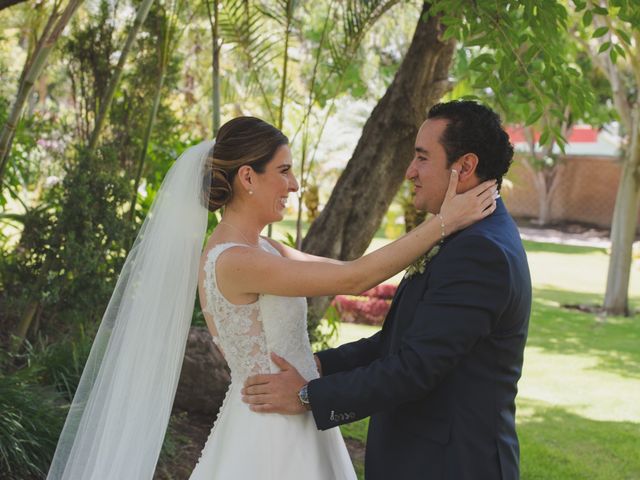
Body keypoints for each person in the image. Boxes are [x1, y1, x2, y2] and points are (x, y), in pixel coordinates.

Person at [47, 116, 496, 480]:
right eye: (284, 171)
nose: (295, 185)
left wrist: (315, 370)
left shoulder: (267, 249)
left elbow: (348, 270)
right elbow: (360, 279)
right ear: (248, 177)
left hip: (296, 410)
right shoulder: (234, 261)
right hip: (270, 433)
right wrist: (443, 223)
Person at [242, 101, 532, 480]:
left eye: (422, 158)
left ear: (465, 166)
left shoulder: (481, 251)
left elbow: (414, 369)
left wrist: (307, 397)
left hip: (451, 465)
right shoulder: (460, 235)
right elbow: (397, 341)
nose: (410, 171)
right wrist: (320, 365)